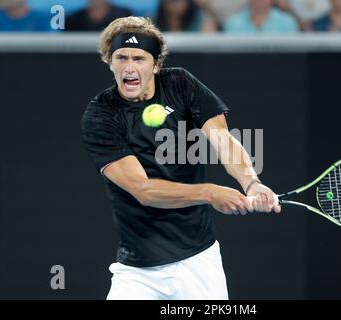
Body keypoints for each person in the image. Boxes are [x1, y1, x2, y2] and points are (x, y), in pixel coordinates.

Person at [81, 16, 281, 300]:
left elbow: (223, 140)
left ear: (155, 65)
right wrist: (210, 192)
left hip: (199, 262)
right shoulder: (100, 116)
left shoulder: (180, 83)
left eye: (139, 58)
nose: (129, 67)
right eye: (121, 58)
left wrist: (252, 183)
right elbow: (144, 190)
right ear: (110, 62)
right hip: (138, 273)